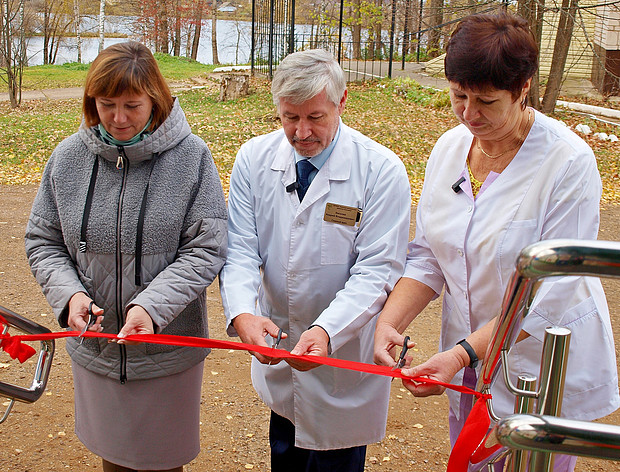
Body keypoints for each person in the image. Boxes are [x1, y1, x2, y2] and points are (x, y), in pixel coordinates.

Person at [373, 11, 620, 472]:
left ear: (523, 88)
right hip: (470, 361)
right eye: (458, 96)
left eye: (486, 101)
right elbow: (429, 256)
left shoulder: (568, 162)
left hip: (539, 363)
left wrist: (463, 353)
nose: (469, 114)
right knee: (470, 459)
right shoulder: (450, 149)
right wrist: (390, 321)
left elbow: (549, 293)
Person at [24, 41, 227, 472]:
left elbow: (207, 248)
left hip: (165, 352)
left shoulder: (192, 158)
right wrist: (70, 297)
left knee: (161, 461)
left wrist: (150, 308)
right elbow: (43, 240)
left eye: (132, 105)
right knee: (113, 458)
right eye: (106, 105)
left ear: (155, 99)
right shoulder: (67, 159)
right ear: (91, 101)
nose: (118, 118)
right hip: (96, 350)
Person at [219, 48, 411, 471]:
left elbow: (377, 270)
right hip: (280, 348)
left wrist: (326, 330)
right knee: (285, 449)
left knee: (336, 462)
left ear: (342, 102)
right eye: (289, 117)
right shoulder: (254, 160)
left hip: (343, 359)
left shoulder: (381, 171)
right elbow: (240, 250)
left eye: (316, 117)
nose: (301, 132)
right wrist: (242, 314)